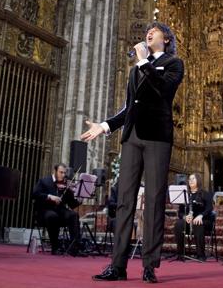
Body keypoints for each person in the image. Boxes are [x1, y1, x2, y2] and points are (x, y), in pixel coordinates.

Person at [82, 21, 184, 283]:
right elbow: (129, 107)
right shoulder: (137, 70)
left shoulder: (174, 64)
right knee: (125, 200)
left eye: (155, 31)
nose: (148, 33)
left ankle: (149, 265)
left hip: (157, 138)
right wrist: (104, 126)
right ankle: (117, 266)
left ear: (167, 39)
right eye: (147, 31)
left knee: (153, 199)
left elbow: (163, 91)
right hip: (132, 137)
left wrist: (143, 62)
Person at [31, 163, 82, 256]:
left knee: (73, 215)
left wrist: (80, 198)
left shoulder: (66, 185)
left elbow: (72, 204)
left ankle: (74, 247)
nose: (63, 175)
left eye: (64, 173)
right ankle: (55, 247)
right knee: (52, 216)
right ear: (55, 171)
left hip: (61, 211)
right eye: (61, 172)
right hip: (46, 210)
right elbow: (35, 194)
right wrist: (50, 197)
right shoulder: (44, 181)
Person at [173, 173, 213, 261]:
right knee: (179, 224)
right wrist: (184, 217)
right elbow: (180, 212)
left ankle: (200, 255)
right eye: (189, 179)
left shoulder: (205, 194)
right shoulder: (185, 195)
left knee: (197, 223)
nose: (190, 181)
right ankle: (181, 253)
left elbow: (210, 208)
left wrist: (201, 215)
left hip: (203, 220)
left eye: (193, 179)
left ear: (198, 180)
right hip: (189, 220)